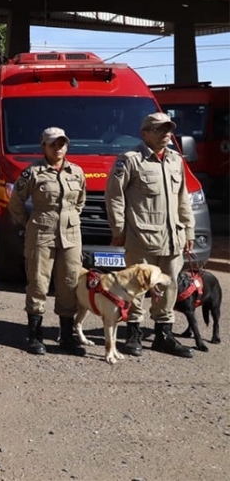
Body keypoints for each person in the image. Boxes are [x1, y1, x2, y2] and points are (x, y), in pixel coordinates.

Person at [105, 112, 194, 358]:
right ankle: (133, 333)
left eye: (169, 129)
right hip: (141, 237)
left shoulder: (175, 160)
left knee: (170, 284)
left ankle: (163, 335)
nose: (166, 134)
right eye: (159, 129)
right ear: (144, 134)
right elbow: (114, 196)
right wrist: (119, 229)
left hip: (172, 237)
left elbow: (183, 198)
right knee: (137, 284)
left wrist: (188, 229)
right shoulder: (130, 160)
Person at [9, 127, 87, 356]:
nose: (58, 148)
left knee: (69, 283)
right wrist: (29, 224)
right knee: (38, 283)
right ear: (43, 146)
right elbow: (16, 203)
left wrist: (70, 218)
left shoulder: (76, 172)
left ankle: (67, 337)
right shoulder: (32, 172)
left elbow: (80, 201)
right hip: (41, 234)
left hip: (70, 236)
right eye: (53, 144)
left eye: (62, 143)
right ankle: (35, 336)